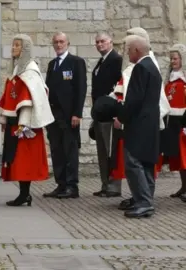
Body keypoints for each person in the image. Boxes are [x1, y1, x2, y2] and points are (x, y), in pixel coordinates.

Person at [117, 27, 170, 211]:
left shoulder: (140, 68)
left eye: (129, 50)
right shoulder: (153, 66)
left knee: (133, 162)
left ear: (137, 50)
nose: (127, 53)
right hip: (150, 123)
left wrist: (121, 116)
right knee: (146, 163)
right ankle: (146, 200)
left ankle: (143, 202)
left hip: (139, 124)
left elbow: (134, 99)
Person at [0, 34, 54, 206]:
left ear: (25, 49)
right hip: (15, 122)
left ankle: (25, 194)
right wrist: (5, 118)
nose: (13, 48)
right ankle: (24, 195)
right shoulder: (17, 70)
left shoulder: (30, 72)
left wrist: (23, 124)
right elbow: (10, 95)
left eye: (17, 45)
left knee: (24, 160)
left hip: (25, 125)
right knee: (16, 159)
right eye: (13, 45)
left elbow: (31, 98)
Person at [43, 32, 87, 199]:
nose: (58, 45)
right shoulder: (52, 64)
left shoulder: (76, 62)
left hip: (69, 115)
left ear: (68, 43)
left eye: (61, 42)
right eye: (56, 42)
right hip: (53, 115)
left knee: (70, 150)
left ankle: (71, 185)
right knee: (56, 150)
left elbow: (80, 89)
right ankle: (60, 184)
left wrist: (77, 113)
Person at [90, 31, 123, 197]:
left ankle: (114, 186)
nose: (99, 44)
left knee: (112, 151)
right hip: (99, 113)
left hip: (110, 113)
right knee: (102, 151)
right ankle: (105, 184)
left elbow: (119, 87)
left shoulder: (117, 60)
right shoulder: (100, 63)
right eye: (97, 42)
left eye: (103, 41)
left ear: (111, 42)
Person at [158, 44, 186, 200]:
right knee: (177, 157)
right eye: (171, 59)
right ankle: (184, 186)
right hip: (171, 120)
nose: (173, 61)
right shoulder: (169, 78)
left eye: (175, 58)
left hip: (183, 120)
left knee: (185, 156)